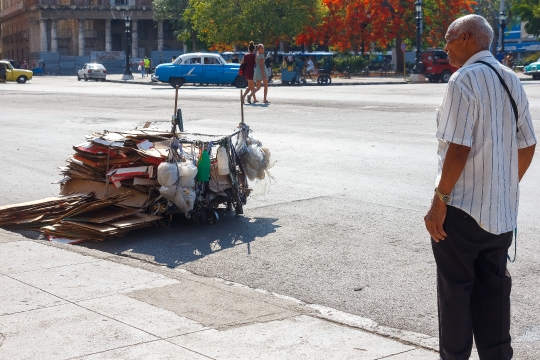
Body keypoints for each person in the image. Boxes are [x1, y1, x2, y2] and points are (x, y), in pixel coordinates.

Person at [424, 14, 536, 360]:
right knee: (494, 295)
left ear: (467, 38)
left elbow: (458, 147)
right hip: (500, 216)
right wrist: (503, 185)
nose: (445, 46)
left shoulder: (462, 81)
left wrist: (439, 201)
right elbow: (528, 143)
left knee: (456, 295)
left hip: (462, 213)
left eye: (448, 38)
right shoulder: (510, 79)